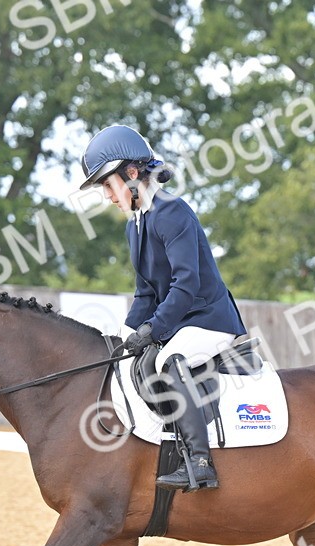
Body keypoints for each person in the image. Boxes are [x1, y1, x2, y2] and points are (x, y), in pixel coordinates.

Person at [79, 125, 247, 492]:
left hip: (208, 319)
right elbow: (144, 293)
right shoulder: (135, 226)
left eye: (108, 185)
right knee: (129, 362)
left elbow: (185, 285)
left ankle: (200, 462)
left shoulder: (172, 213)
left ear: (132, 174)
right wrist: (125, 337)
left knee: (166, 360)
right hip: (179, 321)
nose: (108, 196)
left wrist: (153, 331)